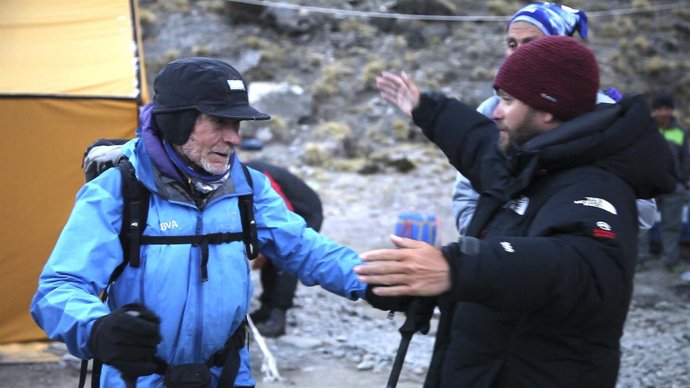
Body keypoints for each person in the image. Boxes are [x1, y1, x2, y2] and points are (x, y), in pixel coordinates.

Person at [30, 57, 367, 388]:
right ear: (177, 123)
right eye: (220, 122)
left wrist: (377, 281)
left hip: (228, 375)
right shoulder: (118, 191)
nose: (234, 138)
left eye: (237, 125)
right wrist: (96, 328)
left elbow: (306, 250)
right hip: (138, 379)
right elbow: (58, 289)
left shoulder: (249, 187)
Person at [359, 36, 675, 388]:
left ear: (547, 109)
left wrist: (456, 266)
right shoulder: (533, 161)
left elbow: (582, 264)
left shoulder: (598, 184)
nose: (496, 111)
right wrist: (428, 109)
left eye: (507, 100)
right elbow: (478, 144)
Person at [448, 2, 657, 235]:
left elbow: (642, 210)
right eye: (511, 44)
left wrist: (580, 234)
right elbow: (467, 192)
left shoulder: (605, 114)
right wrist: (485, 240)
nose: (518, 53)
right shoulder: (491, 111)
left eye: (531, 43)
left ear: (560, 48)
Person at [244, 158, 324, 337]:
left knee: (287, 257)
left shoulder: (256, 176)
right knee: (270, 256)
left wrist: (263, 250)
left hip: (307, 212)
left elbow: (282, 214)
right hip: (291, 211)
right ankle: (266, 308)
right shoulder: (240, 177)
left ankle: (279, 316)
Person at [638, 93, 690, 273]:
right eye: (659, 109)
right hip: (647, 186)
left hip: (673, 186)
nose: (663, 113)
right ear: (653, 112)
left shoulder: (680, 132)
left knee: (672, 225)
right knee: (643, 222)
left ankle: (670, 261)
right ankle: (639, 259)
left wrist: (682, 182)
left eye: (667, 108)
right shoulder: (643, 130)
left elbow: (686, 158)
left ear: (672, 111)